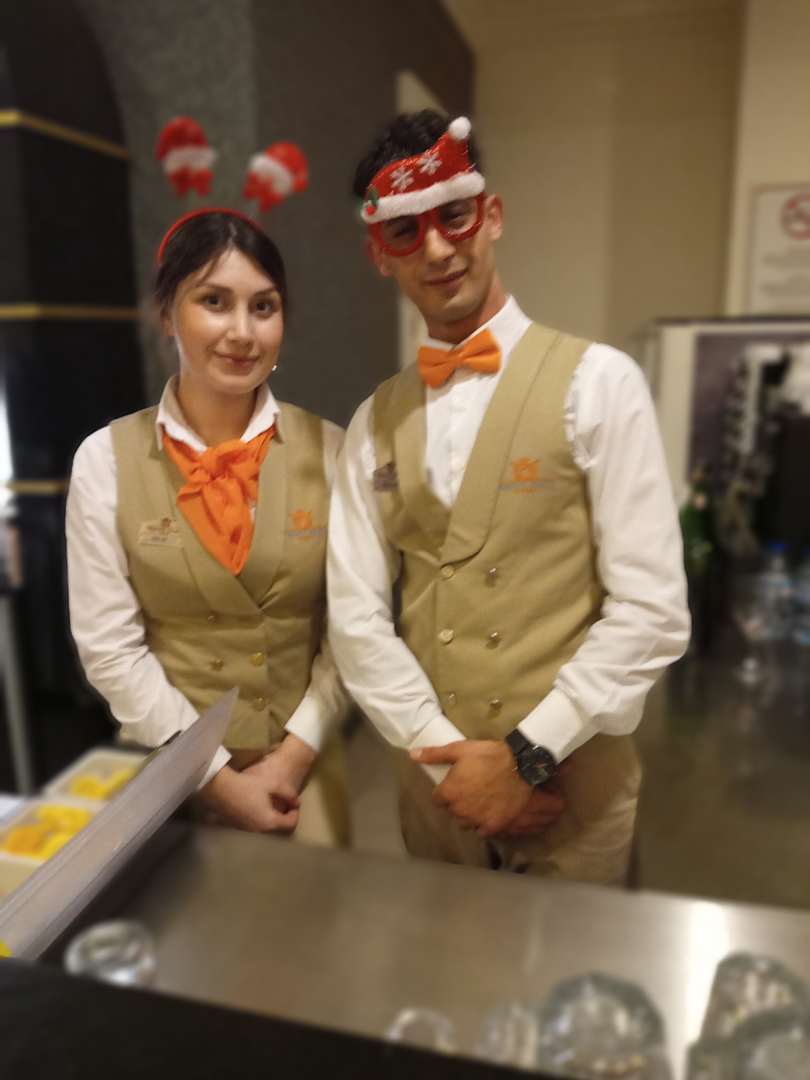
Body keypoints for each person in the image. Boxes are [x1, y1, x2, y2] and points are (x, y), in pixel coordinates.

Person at [327, 112, 690, 883]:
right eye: (406, 231)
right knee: (443, 955)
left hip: (573, 792)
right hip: (436, 795)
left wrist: (528, 755)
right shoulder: (370, 424)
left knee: (576, 961)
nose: (436, 249)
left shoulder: (601, 382)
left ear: (491, 215)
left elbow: (652, 608)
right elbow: (356, 620)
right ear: (379, 255)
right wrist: (446, 765)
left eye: (453, 215)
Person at [67, 208, 350, 845]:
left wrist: (293, 757)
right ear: (167, 314)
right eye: (214, 302)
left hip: (300, 772)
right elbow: (110, 648)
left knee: (314, 908)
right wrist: (216, 778)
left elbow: (352, 629)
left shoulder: (333, 451)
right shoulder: (105, 460)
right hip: (166, 774)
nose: (242, 332)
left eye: (263, 306)